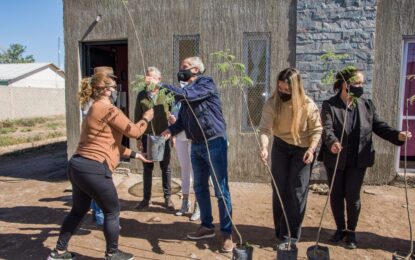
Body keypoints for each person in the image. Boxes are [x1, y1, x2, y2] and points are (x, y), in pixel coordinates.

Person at [48, 72, 154, 260]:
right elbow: (135, 131)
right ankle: (112, 253)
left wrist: (136, 155)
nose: (115, 90)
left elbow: (109, 143)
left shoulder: (94, 108)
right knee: (112, 211)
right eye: (113, 87)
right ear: (105, 90)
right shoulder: (108, 109)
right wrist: (146, 117)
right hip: (93, 169)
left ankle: (59, 252)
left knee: (78, 210)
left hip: (77, 166)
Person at [317, 67, 412, 249]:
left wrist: (397, 135)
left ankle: (351, 233)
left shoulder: (366, 104)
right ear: (346, 84)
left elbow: (378, 126)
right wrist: (333, 143)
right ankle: (340, 230)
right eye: (358, 83)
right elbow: (327, 129)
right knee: (336, 195)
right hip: (336, 158)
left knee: (352, 197)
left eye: (362, 83)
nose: (361, 86)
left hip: (358, 159)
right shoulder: (330, 105)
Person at [158, 56, 234, 252]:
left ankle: (226, 233)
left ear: (196, 69)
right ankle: (207, 226)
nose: (180, 70)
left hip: (214, 142)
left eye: (184, 67)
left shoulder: (205, 83)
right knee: (200, 187)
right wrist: (170, 130)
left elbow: (187, 96)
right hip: (197, 144)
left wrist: (161, 85)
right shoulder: (186, 93)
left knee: (220, 189)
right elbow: (183, 120)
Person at [259, 68, 322, 244]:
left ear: (296, 89)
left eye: (287, 90)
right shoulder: (272, 103)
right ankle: (280, 231)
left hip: (302, 150)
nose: (283, 92)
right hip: (280, 147)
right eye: (280, 88)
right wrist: (264, 147)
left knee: (297, 192)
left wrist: (311, 149)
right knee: (279, 189)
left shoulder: (308, 105)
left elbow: (317, 130)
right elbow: (265, 129)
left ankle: (291, 236)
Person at [134, 67, 174, 211]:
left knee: (166, 167)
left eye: (151, 77)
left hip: (164, 135)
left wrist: (173, 135)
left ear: (159, 79)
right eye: (147, 76)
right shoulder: (141, 95)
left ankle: (168, 198)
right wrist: (138, 138)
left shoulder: (166, 94)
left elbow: (172, 115)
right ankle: (146, 199)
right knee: (147, 167)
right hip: (147, 136)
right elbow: (137, 117)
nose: (148, 79)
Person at [168, 82, 200, 221]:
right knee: (184, 170)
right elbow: (174, 120)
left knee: (195, 172)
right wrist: (171, 123)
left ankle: (199, 207)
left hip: (193, 138)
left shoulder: (196, 99)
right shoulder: (176, 100)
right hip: (180, 138)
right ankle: (185, 203)